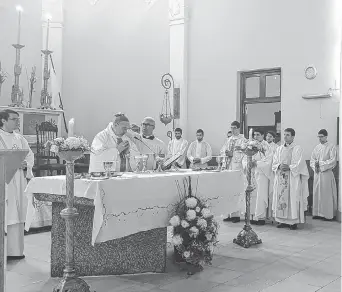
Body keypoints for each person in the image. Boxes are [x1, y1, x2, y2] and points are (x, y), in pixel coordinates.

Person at [0, 109, 34, 260]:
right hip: (5, 180)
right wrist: (11, 163)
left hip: (19, 179)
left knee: (18, 213)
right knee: (7, 212)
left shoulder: (20, 138)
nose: (17, 122)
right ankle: (4, 252)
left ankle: (16, 251)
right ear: (3, 120)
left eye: (17, 119)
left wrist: (26, 164)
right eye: (14, 119)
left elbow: (29, 155)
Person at [272, 128, 309, 230]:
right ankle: (281, 220)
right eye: (284, 135)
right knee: (280, 197)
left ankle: (293, 222)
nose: (285, 137)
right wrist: (279, 166)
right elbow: (274, 162)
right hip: (280, 177)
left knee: (292, 198)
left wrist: (289, 167)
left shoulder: (297, 148)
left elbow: (300, 164)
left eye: (288, 135)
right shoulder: (279, 149)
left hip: (292, 178)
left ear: (293, 137)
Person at [242, 129, 272, 225]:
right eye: (254, 135)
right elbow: (244, 158)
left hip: (261, 174)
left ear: (263, 135)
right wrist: (247, 164)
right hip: (251, 173)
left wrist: (256, 163)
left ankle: (260, 217)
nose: (255, 136)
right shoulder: (249, 145)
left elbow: (269, 160)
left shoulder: (266, 146)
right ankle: (251, 216)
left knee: (260, 195)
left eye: (258, 134)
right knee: (251, 194)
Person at [221, 121, 247, 223]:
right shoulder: (229, 140)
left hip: (237, 168)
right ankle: (228, 213)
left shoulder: (243, 141)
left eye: (234, 128)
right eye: (231, 128)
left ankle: (236, 215)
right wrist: (226, 154)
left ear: (239, 128)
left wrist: (233, 154)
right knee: (228, 190)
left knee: (236, 191)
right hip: (228, 167)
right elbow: (223, 151)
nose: (232, 130)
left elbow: (244, 155)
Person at [310, 129, 337, 221]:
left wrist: (320, 165)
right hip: (318, 173)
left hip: (326, 173)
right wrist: (315, 167)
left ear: (326, 136)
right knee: (317, 193)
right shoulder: (316, 147)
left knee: (326, 194)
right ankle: (317, 213)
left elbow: (333, 161)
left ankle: (327, 214)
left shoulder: (331, 147)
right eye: (319, 137)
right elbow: (312, 160)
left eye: (321, 137)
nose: (320, 138)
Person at [265, 130, 278, 220]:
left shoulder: (277, 147)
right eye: (267, 136)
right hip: (263, 172)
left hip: (272, 172)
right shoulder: (262, 145)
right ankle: (263, 214)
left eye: (270, 136)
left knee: (271, 192)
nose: (268, 138)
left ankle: (271, 214)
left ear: (273, 138)